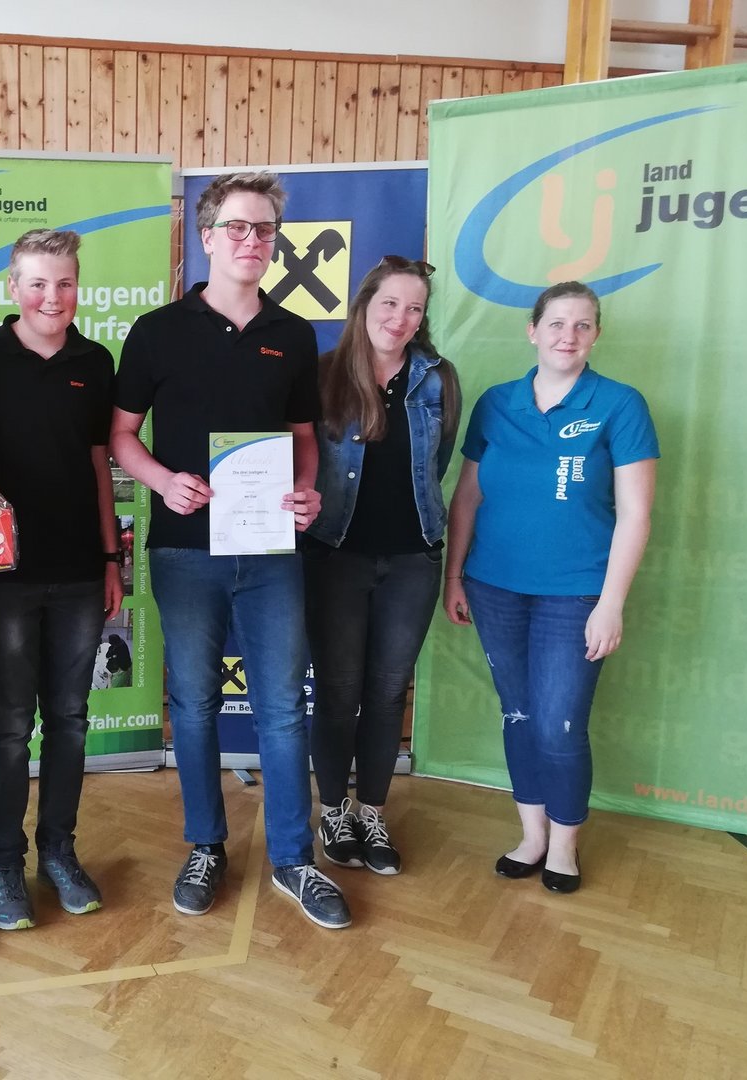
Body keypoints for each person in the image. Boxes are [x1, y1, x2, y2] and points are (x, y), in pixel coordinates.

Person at [111, 171, 350, 930]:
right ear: (207, 237)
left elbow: (304, 439)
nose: (253, 241)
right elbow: (121, 435)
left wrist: (306, 491)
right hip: (185, 552)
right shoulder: (157, 331)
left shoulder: (294, 334)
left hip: (271, 552)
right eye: (238, 228)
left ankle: (294, 858)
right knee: (194, 705)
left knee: (281, 708)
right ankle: (206, 844)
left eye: (265, 230)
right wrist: (161, 481)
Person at [443, 281, 657, 895]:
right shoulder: (496, 402)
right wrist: (454, 575)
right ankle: (532, 836)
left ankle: (564, 844)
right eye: (557, 323)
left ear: (596, 335)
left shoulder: (619, 404)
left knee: (560, 724)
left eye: (583, 325)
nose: (569, 335)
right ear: (532, 331)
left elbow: (636, 513)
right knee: (518, 713)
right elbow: (467, 496)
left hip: (576, 593)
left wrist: (611, 603)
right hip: (494, 586)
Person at [0, 229, 121, 931]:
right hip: (2, 577)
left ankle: (58, 851)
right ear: (13, 288)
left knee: (71, 722)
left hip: (80, 574)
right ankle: (2, 862)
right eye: (39, 283)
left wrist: (111, 560)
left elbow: (99, 465)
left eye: (66, 283)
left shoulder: (95, 361)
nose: (54, 297)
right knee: (11, 728)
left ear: (78, 287)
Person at [302, 256, 461, 876]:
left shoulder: (439, 380)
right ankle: (333, 810)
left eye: (414, 308)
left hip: (412, 558)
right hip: (335, 556)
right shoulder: (323, 375)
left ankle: (371, 810)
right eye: (390, 303)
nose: (401, 318)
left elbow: (437, 463)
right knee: (339, 690)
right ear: (364, 304)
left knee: (390, 690)